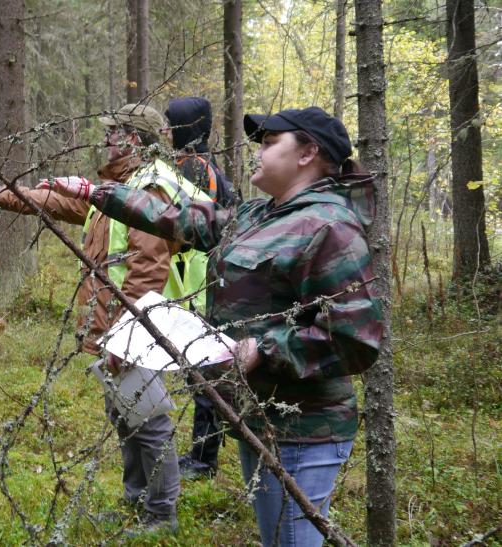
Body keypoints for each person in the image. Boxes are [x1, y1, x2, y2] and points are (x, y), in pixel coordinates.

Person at [43, 106, 384, 546]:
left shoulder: (329, 227)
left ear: (307, 154)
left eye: (269, 143)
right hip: (257, 416)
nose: (256, 152)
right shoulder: (260, 214)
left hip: (303, 430)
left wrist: (264, 349)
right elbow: (185, 218)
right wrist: (98, 192)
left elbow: (355, 338)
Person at [0, 103, 201, 532]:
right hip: (118, 324)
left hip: (137, 327)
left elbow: (148, 268)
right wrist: (1, 194)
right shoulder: (119, 187)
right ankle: (137, 501)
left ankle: (161, 514)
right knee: (125, 413)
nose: (105, 140)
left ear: (132, 138)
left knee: (148, 420)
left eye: (112, 132)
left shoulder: (149, 190)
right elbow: (62, 204)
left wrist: (127, 336)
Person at [162, 96, 234, 481]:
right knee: (202, 368)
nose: (165, 131)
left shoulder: (195, 168)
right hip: (201, 283)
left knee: (204, 370)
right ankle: (205, 452)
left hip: (201, 285)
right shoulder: (197, 164)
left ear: (185, 128)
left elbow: (191, 229)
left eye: (171, 123)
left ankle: (204, 459)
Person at [163, 96, 237, 207]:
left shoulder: (192, 165)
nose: (164, 130)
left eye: (169, 124)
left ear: (185, 128)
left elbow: (186, 214)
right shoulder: (205, 159)